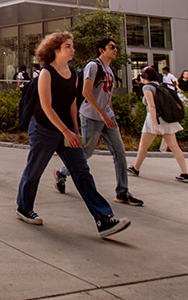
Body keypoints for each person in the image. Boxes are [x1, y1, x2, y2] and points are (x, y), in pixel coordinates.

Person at [15, 31, 130, 238]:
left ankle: (104, 220)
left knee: (82, 172)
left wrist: (75, 130)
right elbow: (46, 107)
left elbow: (72, 104)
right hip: (44, 129)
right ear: (55, 49)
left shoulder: (73, 74)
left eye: (72, 46)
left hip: (67, 130)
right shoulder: (46, 73)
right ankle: (24, 208)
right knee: (35, 169)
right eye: (68, 46)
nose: (72, 50)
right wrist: (66, 131)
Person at [54, 37, 142, 206]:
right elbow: (87, 93)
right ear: (102, 50)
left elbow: (106, 95)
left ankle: (122, 192)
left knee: (120, 152)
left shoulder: (109, 70)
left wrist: (110, 114)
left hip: (107, 118)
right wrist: (103, 114)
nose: (115, 50)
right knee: (86, 152)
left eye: (116, 47)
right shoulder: (93, 66)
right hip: (91, 117)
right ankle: (61, 173)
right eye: (112, 47)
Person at [128, 67, 188, 183]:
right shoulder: (160, 85)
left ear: (145, 77)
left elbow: (151, 106)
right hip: (167, 118)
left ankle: (136, 168)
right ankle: (184, 173)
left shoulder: (147, 87)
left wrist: (155, 126)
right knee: (175, 147)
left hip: (154, 119)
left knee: (143, 146)